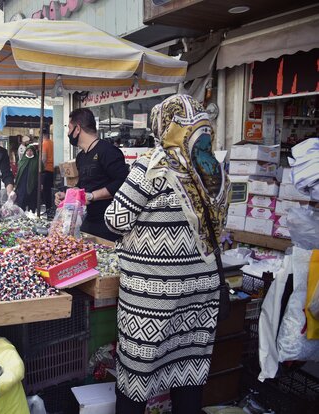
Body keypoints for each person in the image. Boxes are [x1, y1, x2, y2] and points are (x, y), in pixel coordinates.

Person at [103, 95, 230, 414]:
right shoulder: (213, 167)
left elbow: (115, 219)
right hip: (201, 291)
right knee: (188, 369)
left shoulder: (154, 163)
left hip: (154, 294)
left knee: (136, 373)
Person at [54, 108, 128, 242]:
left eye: (69, 128)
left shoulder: (108, 151)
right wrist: (67, 195)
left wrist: (93, 196)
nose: (68, 133)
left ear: (77, 129)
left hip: (107, 224)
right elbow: (82, 186)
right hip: (86, 221)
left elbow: (122, 183)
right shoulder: (81, 157)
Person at [15, 144, 40, 212]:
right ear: (25, 151)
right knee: (21, 202)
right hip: (22, 185)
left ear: (34, 152)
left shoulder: (37, 161)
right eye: (28, 151)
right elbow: (18, 173)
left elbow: (41, 172)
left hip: (33, 185)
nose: (29, 152)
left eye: (31, 151)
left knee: (32, 202)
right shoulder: (22, 161)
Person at [41, 126, 54, 210]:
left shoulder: (44, 143)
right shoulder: (52, 142)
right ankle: (50, 208)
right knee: (50, 190)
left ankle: (48, 209)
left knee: (46, 191)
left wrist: (41, 167)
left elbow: (44, 158)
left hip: (46, 170)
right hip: (52, 169)